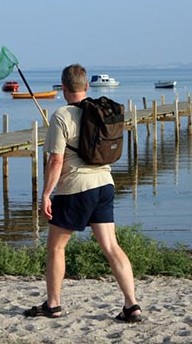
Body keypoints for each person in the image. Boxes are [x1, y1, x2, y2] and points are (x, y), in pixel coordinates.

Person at [23, 64, 142, 322]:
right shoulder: (100, 111)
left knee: (56, 247)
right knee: (111, 246)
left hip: (75, 188)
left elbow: (56, 161)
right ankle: (131, 305)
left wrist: (46, 194)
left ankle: (53, 305)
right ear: (87, 86)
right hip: (105, 184)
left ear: (63, 88)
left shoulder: (61, 116)